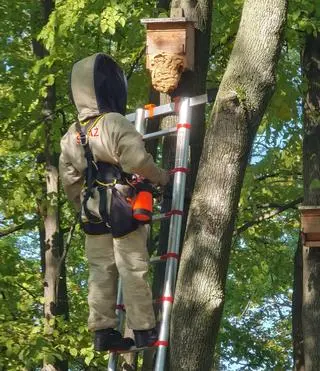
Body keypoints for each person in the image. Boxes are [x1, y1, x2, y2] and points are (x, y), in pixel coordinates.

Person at [59, 53, 169, 351]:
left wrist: (84, 204)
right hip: (122, 204)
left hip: (91, 211)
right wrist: (161, 178)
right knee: (133, 266)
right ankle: (144, 329)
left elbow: (70, 182)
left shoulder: (71, 135)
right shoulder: (113, 123)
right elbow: (136, 161)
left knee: (101, 272)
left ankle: (103, 332)